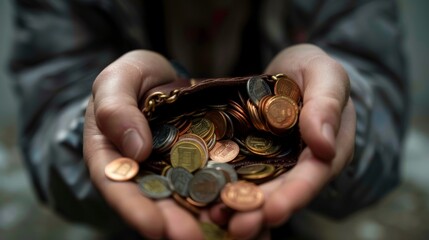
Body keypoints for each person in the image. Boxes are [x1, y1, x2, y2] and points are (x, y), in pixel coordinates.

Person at [9, 0, 408, 239]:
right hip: (120, 216)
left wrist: (343, 116)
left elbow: (385, 117)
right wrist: (94, 123)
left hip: (301, 209)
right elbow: (48, 119)